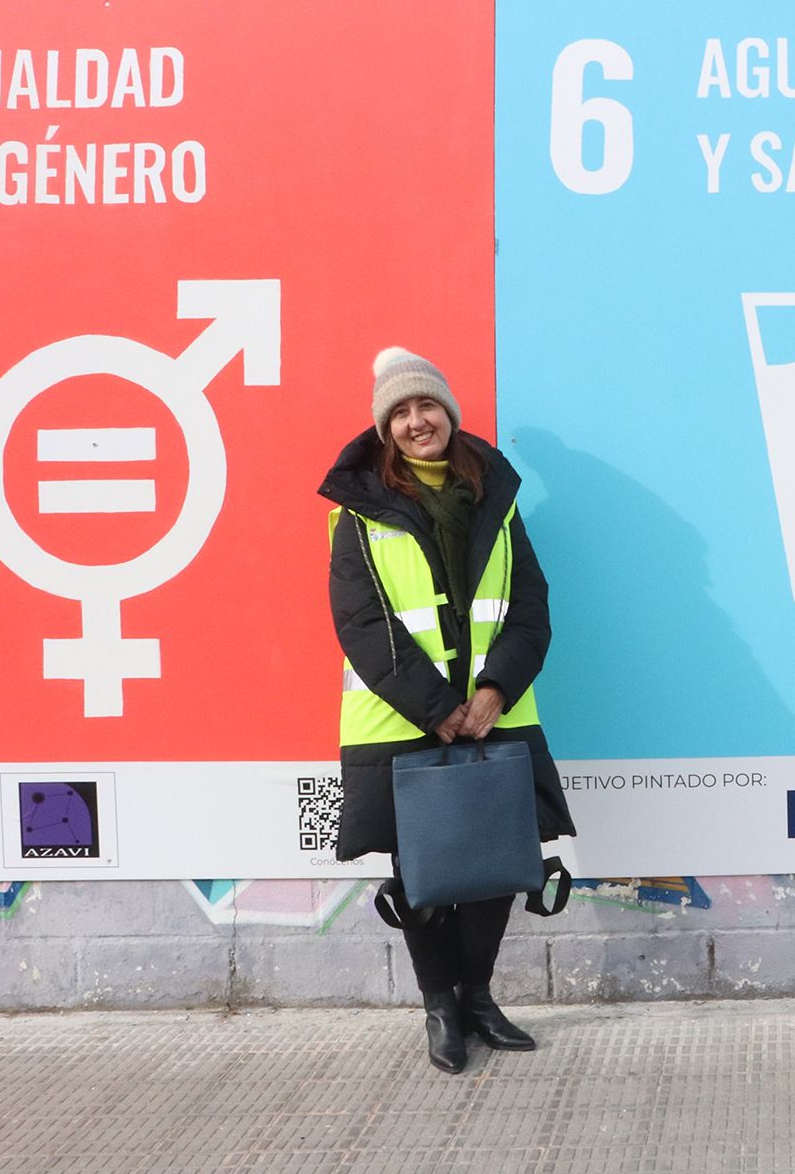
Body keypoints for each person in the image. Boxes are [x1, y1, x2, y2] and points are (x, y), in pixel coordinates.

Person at [320, 347, 575, 1074]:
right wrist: (439, 708)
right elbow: (363, 622)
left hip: (498, 713)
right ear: (384, 427)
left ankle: (480, 997)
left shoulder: (496, 494)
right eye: (399, 412)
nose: (414, 420)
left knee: (495, 867)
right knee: (425, 874)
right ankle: (441, 1005)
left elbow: (528, 605)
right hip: (401, 723)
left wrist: (493, 691)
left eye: (424, 405)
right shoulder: (358, 512)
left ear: (448, 413)